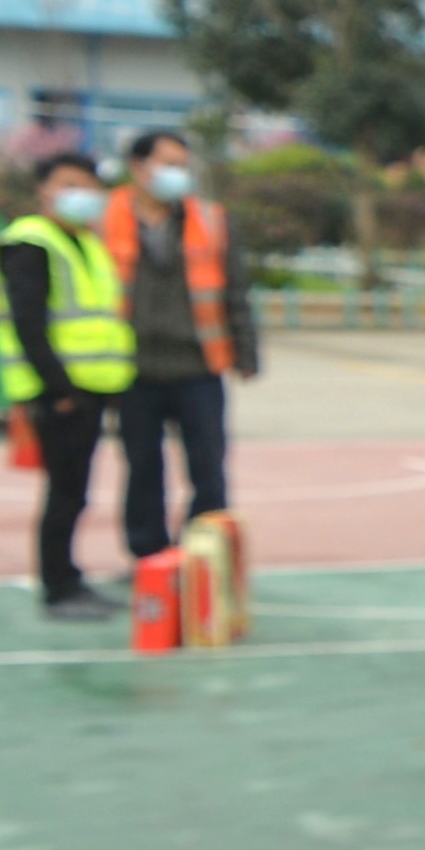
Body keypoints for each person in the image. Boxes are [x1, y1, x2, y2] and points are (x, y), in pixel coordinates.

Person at [100, 128, 257, 571]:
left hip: (198, 364)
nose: (177, 174)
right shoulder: (105, 217)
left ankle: (201, 558)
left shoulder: (211, 219)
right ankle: (149, 560)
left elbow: (234, 290)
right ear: (137, 167)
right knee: (142, 469)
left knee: (209, 469)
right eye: (168, 163)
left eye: (183, 165)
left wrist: (247, 353)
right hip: (133, 369)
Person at [0, 150, 133, 622]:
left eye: (90, 186)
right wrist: (58, 389)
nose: (82, 194)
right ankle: (57, 588)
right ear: (44, 189)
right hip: (60, 391)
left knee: (75, 491)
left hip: (93, 386)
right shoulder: (30, 242)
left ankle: (69, 577)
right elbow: (28, 324)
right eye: (69, 184)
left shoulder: (86, 243)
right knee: (64, 491)